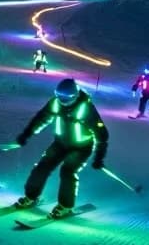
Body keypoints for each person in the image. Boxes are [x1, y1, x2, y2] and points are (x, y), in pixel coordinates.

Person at [13, 78, 109, 218]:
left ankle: (65, 206)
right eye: (59, 95)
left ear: (75, 95)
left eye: (65, 97)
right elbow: (41, 118)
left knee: (67, 171)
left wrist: (99, 157)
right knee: (42, 166)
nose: (62, 99)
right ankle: (30, 197)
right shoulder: (55, 103)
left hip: (81, 147)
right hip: (60, 143)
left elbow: (102, 134)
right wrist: (26, 134)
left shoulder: (86, 108)